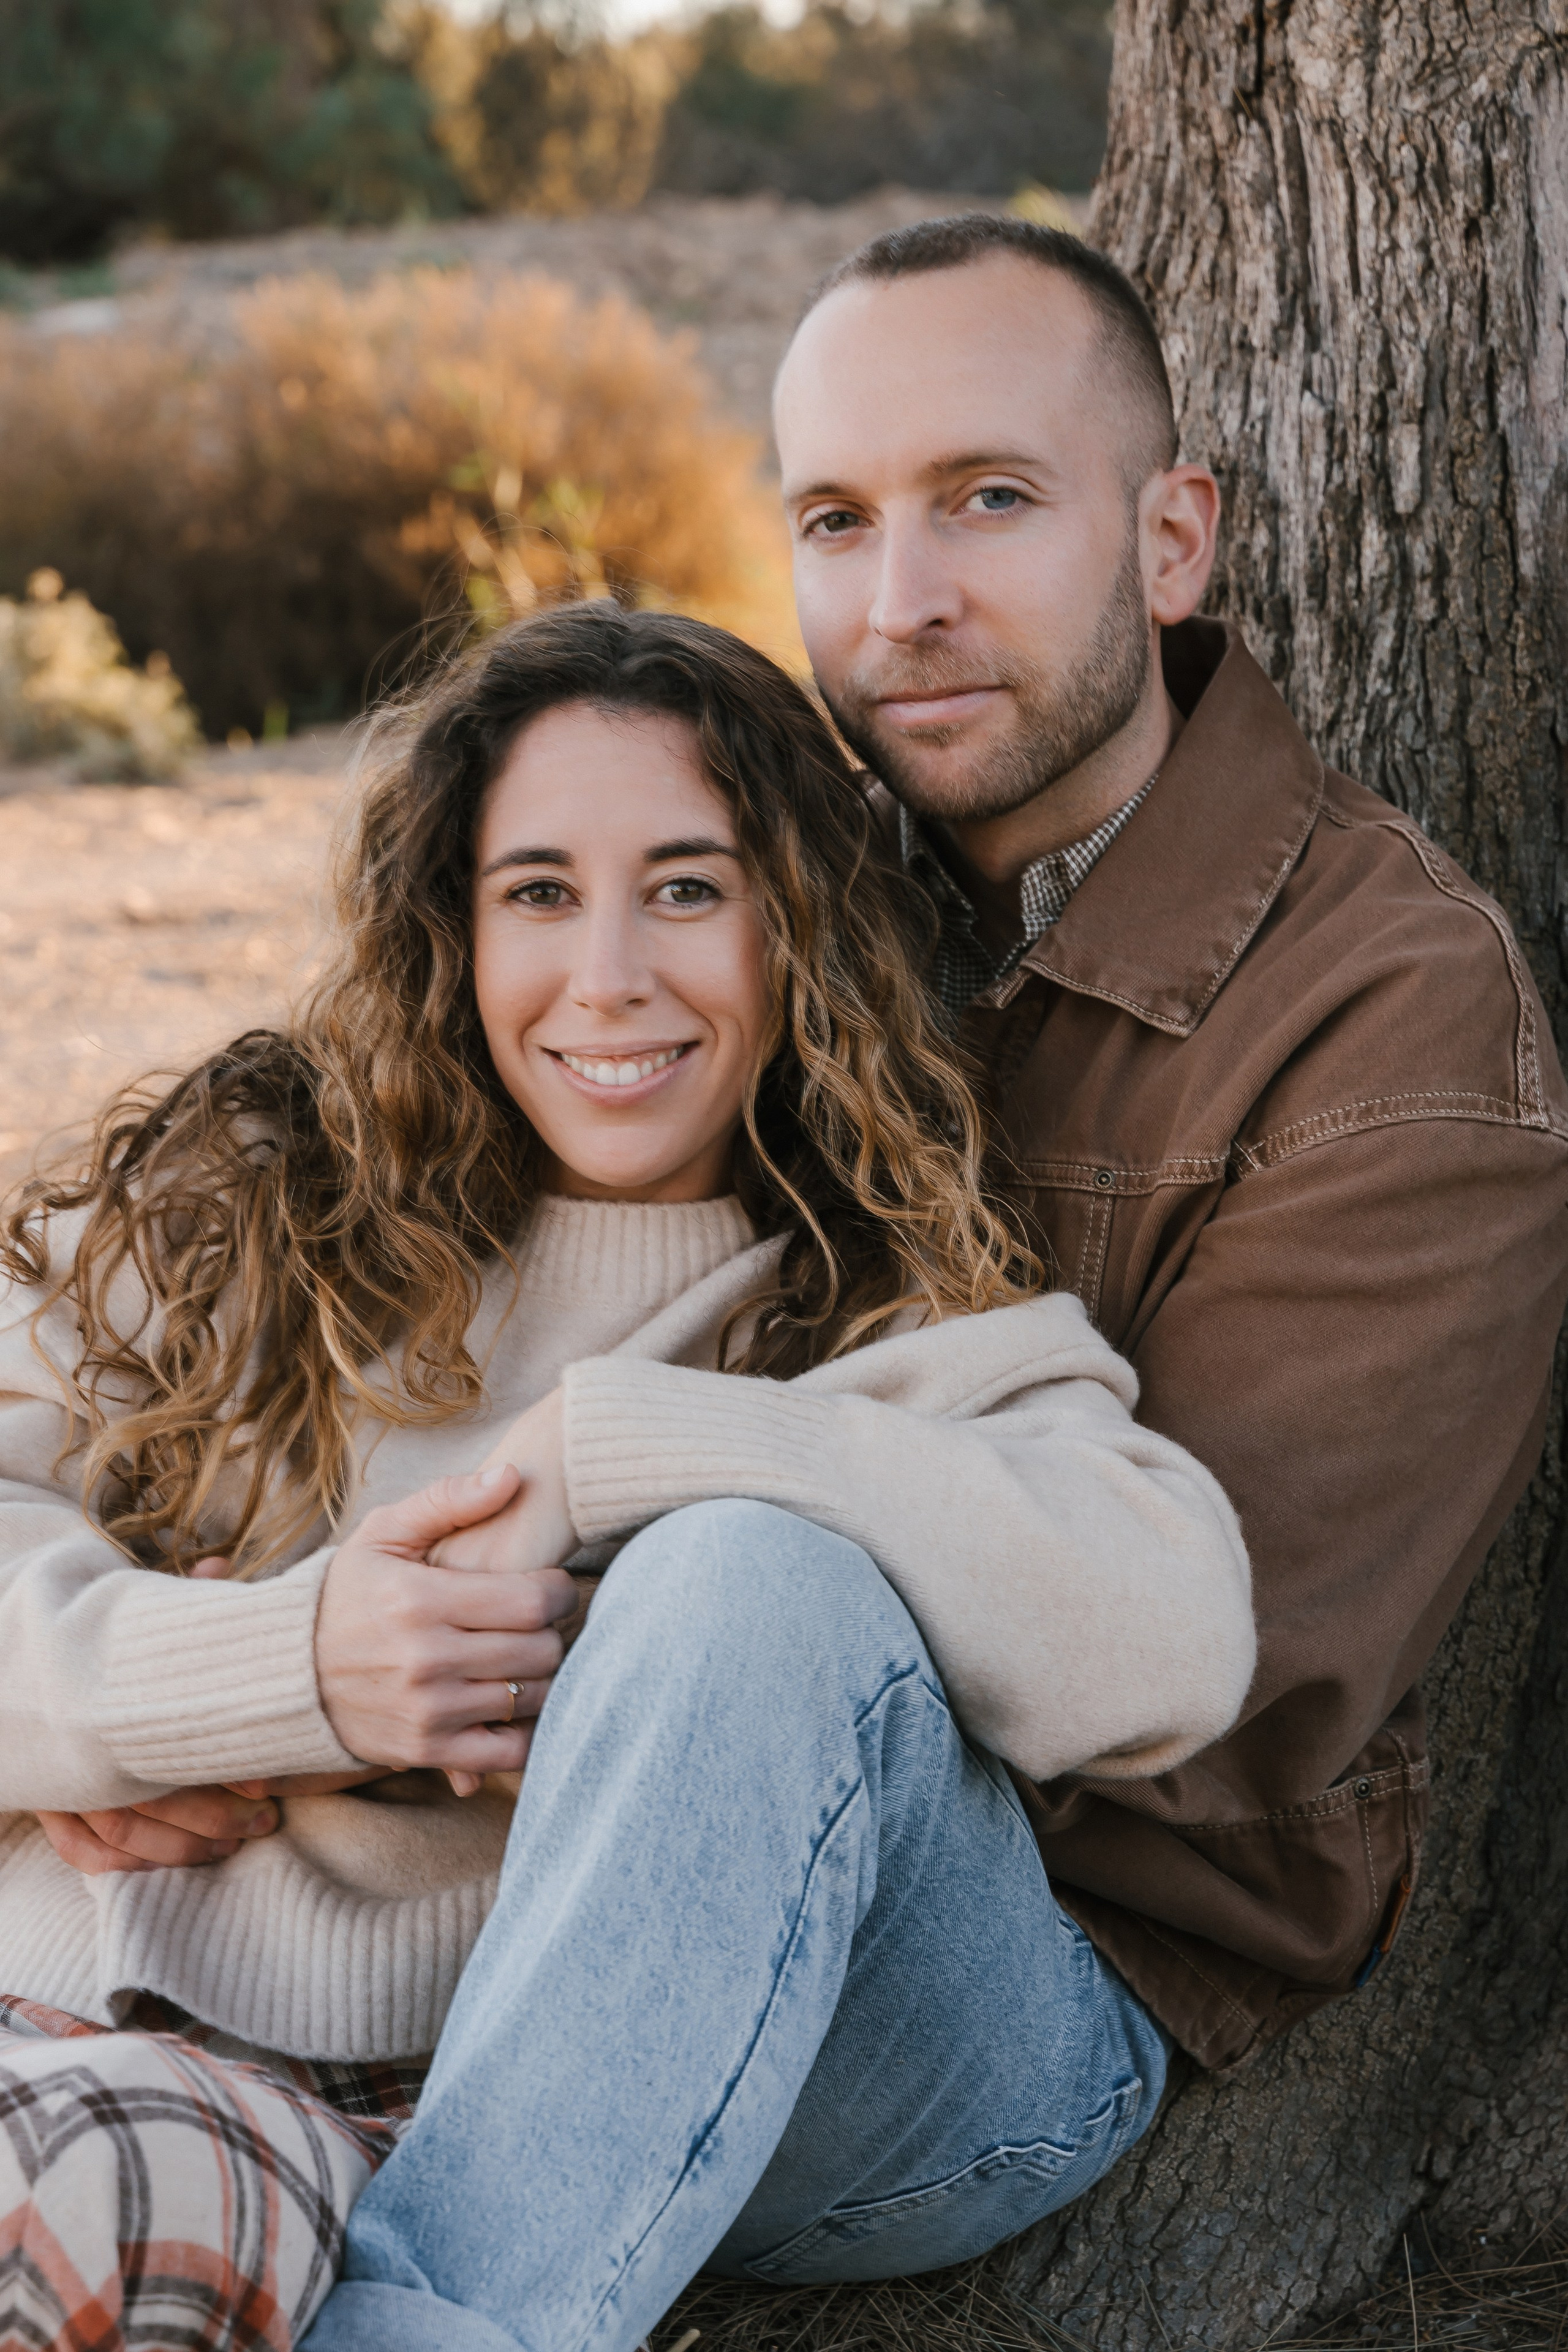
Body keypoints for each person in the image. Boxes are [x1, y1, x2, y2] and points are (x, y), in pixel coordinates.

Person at [297, 216, 1568, 2344]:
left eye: (989, 499)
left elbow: (1208, 1709)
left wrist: (645, 1492)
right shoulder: (781, 885)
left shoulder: (1393, 1027)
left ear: (1172, 542)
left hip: (1028, 1976)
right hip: (554, 1845)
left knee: (754, 1585)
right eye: (834, 519)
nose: (903, 604)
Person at [0, 603, 1254, 2351]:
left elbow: (1171, 1635)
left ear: (796, 924)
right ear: (452, 923)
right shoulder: (252, 1192)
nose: (609, 977)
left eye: (687, 887)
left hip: (433, 2107)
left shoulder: (883, 1304)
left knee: (746, 1572)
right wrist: (272, 1677)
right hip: (79, 2000)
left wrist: (624, 1446)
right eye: (537, 893)